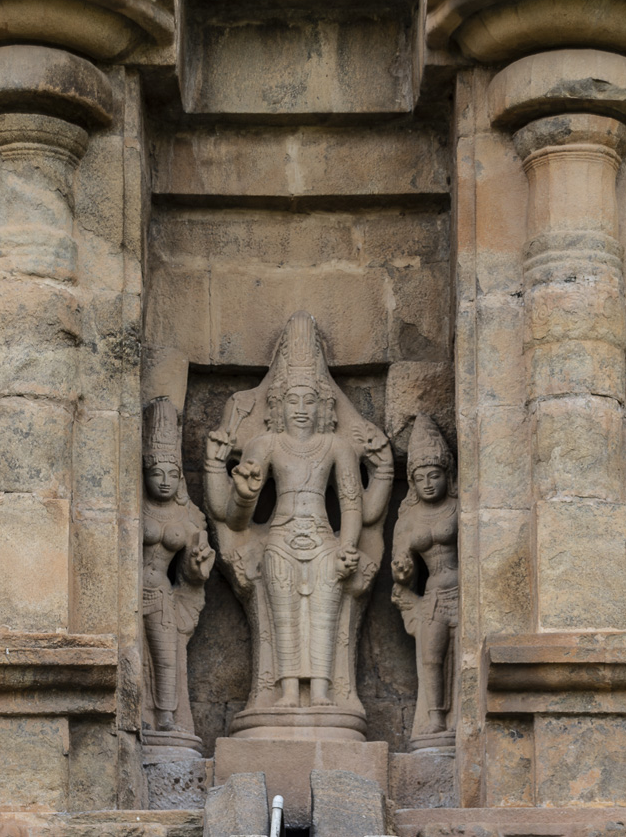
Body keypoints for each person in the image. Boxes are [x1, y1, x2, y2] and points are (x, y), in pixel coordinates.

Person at [206, 311, 392, 710]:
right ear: (278, 402)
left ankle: (322, 690)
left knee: (324, 612)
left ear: (324, 405)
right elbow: (237, 519)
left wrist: (347, 546)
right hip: (280, 538)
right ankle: (287, 689)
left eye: (310, 399)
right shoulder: (265, 444)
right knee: (285, 614)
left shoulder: (337, 447)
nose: (301, 408)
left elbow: (351, 502)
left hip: (325, 539)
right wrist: (242, 493)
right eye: (292, 398)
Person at [142, 397, 214, 732]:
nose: (165, 480)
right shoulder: (135, 508)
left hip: (159, 591)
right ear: (145, 473)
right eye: (157, 473)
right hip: (127, 591)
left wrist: (198, 564)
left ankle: (165, 714)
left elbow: (191, 570)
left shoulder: (186, 518)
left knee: (166, 656)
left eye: (173, 473)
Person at [391, 414, 458, 738]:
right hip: (432, 595)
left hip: (461, 591)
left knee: (460, 657)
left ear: (448, 474)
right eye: (421, 478)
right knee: (431, 656)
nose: (429, 483)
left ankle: (459, 714)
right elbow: (401, 566)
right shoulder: (408, 517)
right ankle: (435, 718)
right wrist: (402, 572)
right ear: (412, 482)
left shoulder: (460, 509)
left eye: (435, 475)